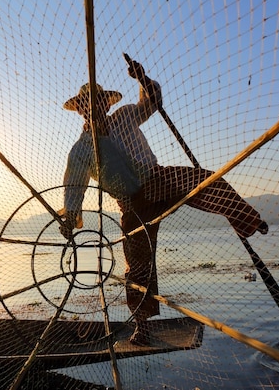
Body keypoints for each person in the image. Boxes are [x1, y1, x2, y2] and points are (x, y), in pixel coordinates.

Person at [59, 60, 267, 345]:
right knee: (137, 266)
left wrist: (142, 79)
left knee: (206, 181)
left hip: (158, 179)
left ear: (106, 104)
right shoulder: (82, 149)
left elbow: (152, 103)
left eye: (98, 102)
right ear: (81, 109)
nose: (93, 107)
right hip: (130, 203)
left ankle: (250, 220)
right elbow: (74, 188)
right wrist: (70, 218)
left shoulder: (124, 116)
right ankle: (142, 328)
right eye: (87, 104)